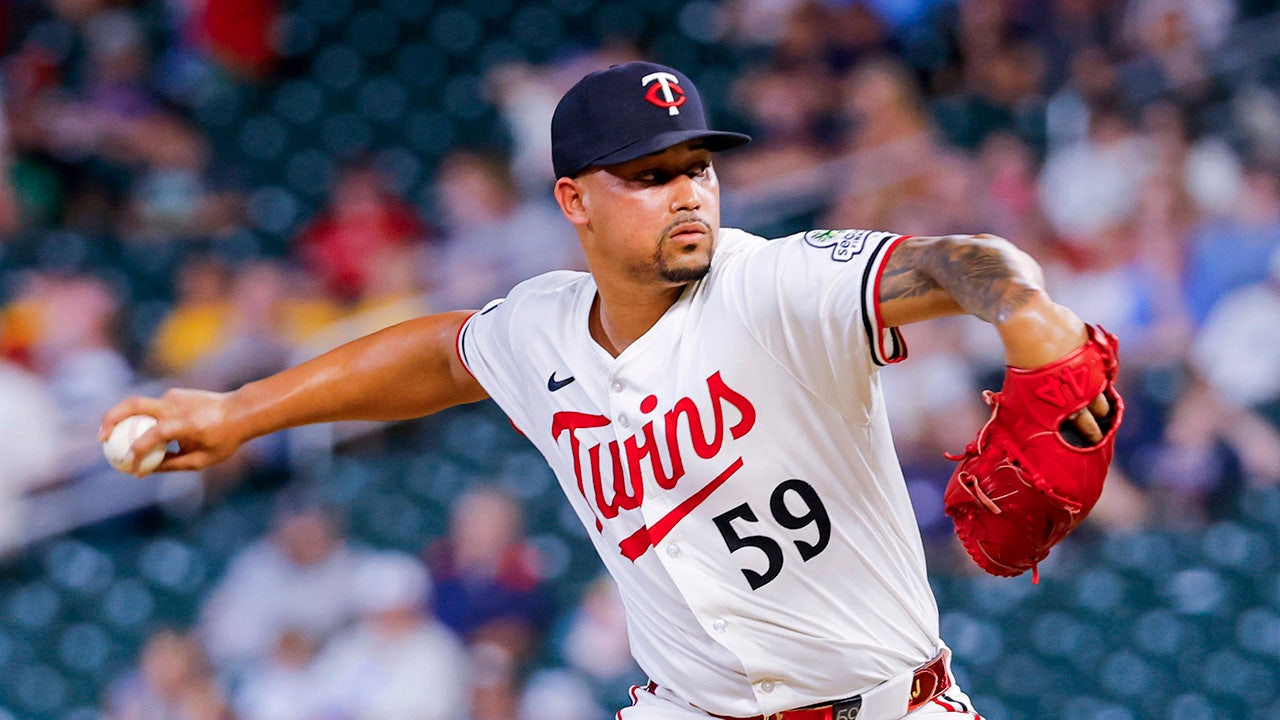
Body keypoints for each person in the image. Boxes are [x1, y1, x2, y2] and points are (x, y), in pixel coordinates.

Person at [103, 62, 1113, 720]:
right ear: (574, 200)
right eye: (649, 174)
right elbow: (444, 355)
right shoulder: (541, 329)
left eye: (697, 167)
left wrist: (1029, 317)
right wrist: (238, 411)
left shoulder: (774, 282)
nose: (687, 192)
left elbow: (957, 263)